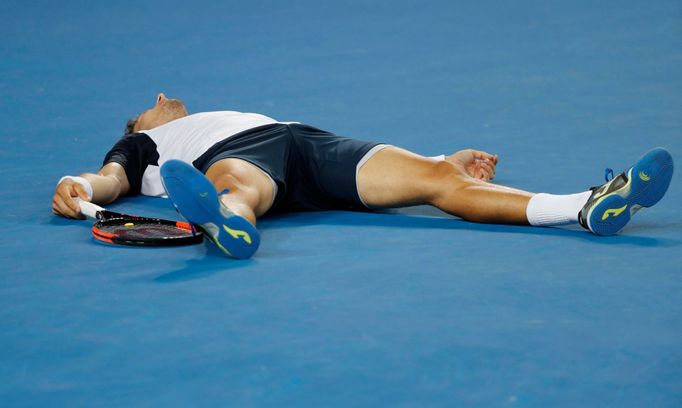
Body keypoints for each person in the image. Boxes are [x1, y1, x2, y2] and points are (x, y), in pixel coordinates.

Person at [52, 93, 674, 259]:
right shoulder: (141, 142)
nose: (165, 98)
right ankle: (225, 221)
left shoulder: (192, 118)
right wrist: (82, 186)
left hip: (305, 141)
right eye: (153, 102)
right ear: (139, 120)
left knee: (436, 178)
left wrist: (448, 157)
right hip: (242, 155)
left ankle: (586, 205)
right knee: (237, 185)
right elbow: (108, 181)